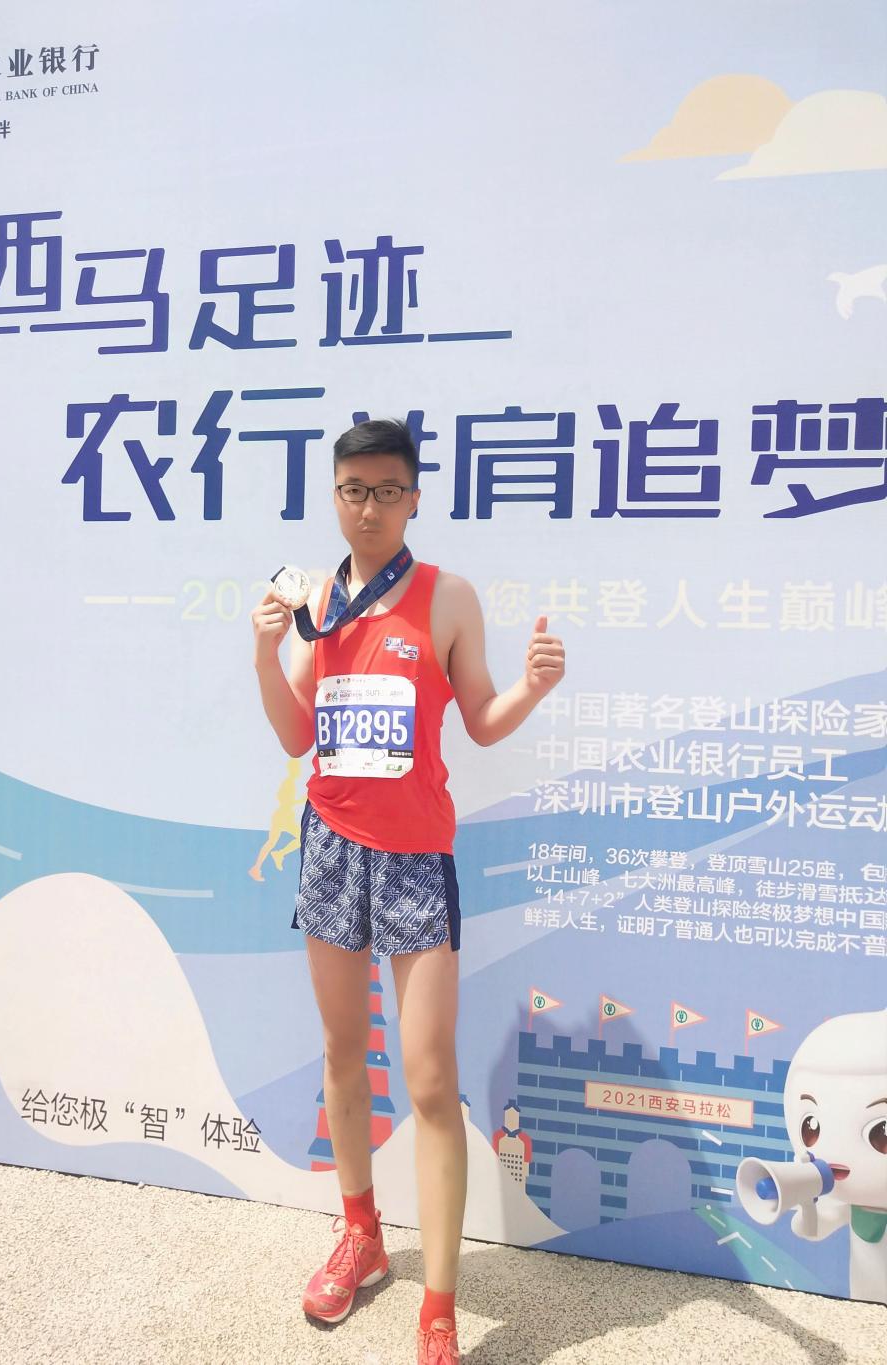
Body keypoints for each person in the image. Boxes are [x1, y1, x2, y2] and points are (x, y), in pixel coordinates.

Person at [251, 418, 565, 1364]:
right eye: (354, 490)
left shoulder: (447, 596)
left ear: (415, 497)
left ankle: (439, 1306)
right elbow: (295, 736)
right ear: (335, 496)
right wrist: (265, 653)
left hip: (417, 859)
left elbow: (484, 719)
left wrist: (532, 687)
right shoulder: (314, 599)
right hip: (331, 848)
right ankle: (362, 1236)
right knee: (343, 1054)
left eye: (388, 490)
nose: (370, 507)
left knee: (428, 1080)